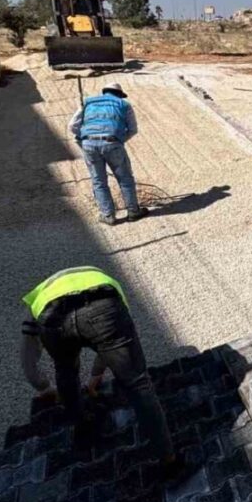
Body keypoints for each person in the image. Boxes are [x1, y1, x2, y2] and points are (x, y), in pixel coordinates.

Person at [22, 266, 183, 478]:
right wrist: (96, 375)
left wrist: (44, 387)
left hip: (51, 319)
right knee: (137, 383)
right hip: (103, 305)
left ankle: (82, 426)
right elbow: (112, 345)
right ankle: (169, 460)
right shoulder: (104, 280)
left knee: (65, 371)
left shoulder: (38, 300)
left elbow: (27, 357)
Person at [68, 82, 149, 226]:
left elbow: (72, 126)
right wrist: (118, 140)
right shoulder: (124, 104)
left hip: (89, 145)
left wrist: (85, 137)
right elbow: (132, 129)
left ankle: (108, 216)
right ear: (119, 94)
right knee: (125, 178)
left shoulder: (87, 102)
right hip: (113, 143)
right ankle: (133, 211)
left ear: (104, 92)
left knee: (98, 181)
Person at [21, 319, 108, 401]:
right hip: (87, 318)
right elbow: (112, 340)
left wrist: (42, 386)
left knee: (66, 369)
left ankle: (70, 400)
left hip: (54, 327)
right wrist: (97, 373)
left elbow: (27, 352)